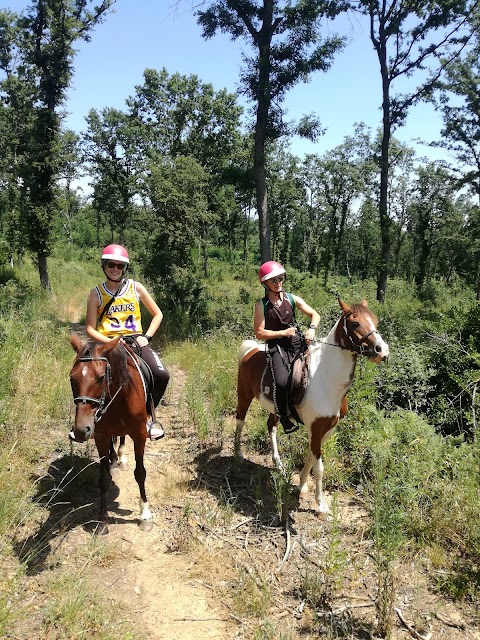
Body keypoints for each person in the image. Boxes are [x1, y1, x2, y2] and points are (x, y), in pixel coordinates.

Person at [86, 244, 170, 441]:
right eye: (110, 265)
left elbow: (158, 314)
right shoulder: (95, 293)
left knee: (161, 374)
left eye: (119, 266)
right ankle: (89, 420)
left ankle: (148, 417)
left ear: (125, 268)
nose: (115, 269)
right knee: (85, 377)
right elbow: (90, 328)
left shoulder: (136, 287)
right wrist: (111, 343)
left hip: (135, 341)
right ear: (103, 266)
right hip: (108, 342)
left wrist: (147, 337)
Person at [254, 260, 320, 435]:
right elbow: (259, 333)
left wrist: (311, 329)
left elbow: (314, 314)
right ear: (265, 283)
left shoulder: (292, 298)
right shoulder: (262, 305)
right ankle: (283, 417)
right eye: (273, 280)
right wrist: (282, 333)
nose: (278, 282)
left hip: (296, 341)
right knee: (282, 381)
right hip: (277, 347)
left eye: (280, 278)